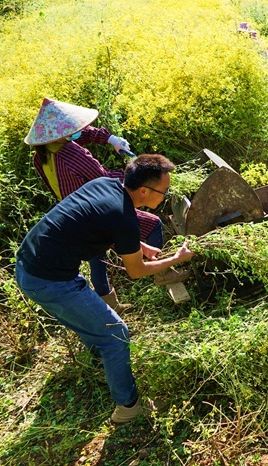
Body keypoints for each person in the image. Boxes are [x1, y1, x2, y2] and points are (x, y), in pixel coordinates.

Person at [15, 154, 195, 423]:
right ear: (144, 190)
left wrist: (139, 245)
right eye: (164, 191)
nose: (166, 195)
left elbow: (97, 222)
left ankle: (103, 361)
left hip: (30, 264)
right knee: (116, 334)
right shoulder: (122, 217)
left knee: (95, 324)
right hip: (48, 280)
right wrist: (177, 259)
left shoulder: (106, 184)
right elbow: (136, 272)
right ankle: (128, 408)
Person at [24, 98, 186, 312]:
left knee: (96, 254)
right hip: (98, 208)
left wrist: (109, 138)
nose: (77, 131)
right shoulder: (72, 154)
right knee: (153, 223)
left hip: (74, 210)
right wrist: (135, 177)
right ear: (61, 133)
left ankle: (109, 304)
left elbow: (83, 134)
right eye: (72, 129)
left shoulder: (45, 152)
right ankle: (163, 272)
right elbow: (103, 176)